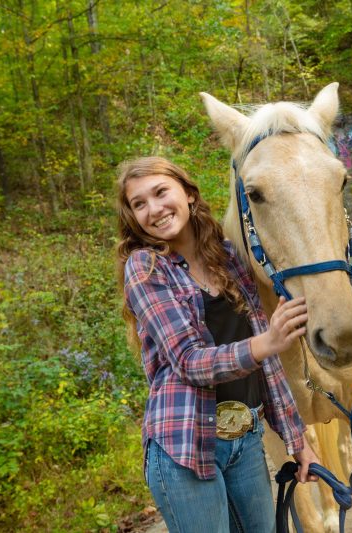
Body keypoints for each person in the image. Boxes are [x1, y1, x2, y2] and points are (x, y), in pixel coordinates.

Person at [115, 156, 319, 533]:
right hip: (183, 446)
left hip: (244, 439)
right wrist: (266, 342)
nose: (153, 209)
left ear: (189, 194)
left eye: (161, 193)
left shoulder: (228, 258)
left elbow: (268, 365)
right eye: (139, 204)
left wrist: (297, 440)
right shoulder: (144, 268)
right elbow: (189, 360)